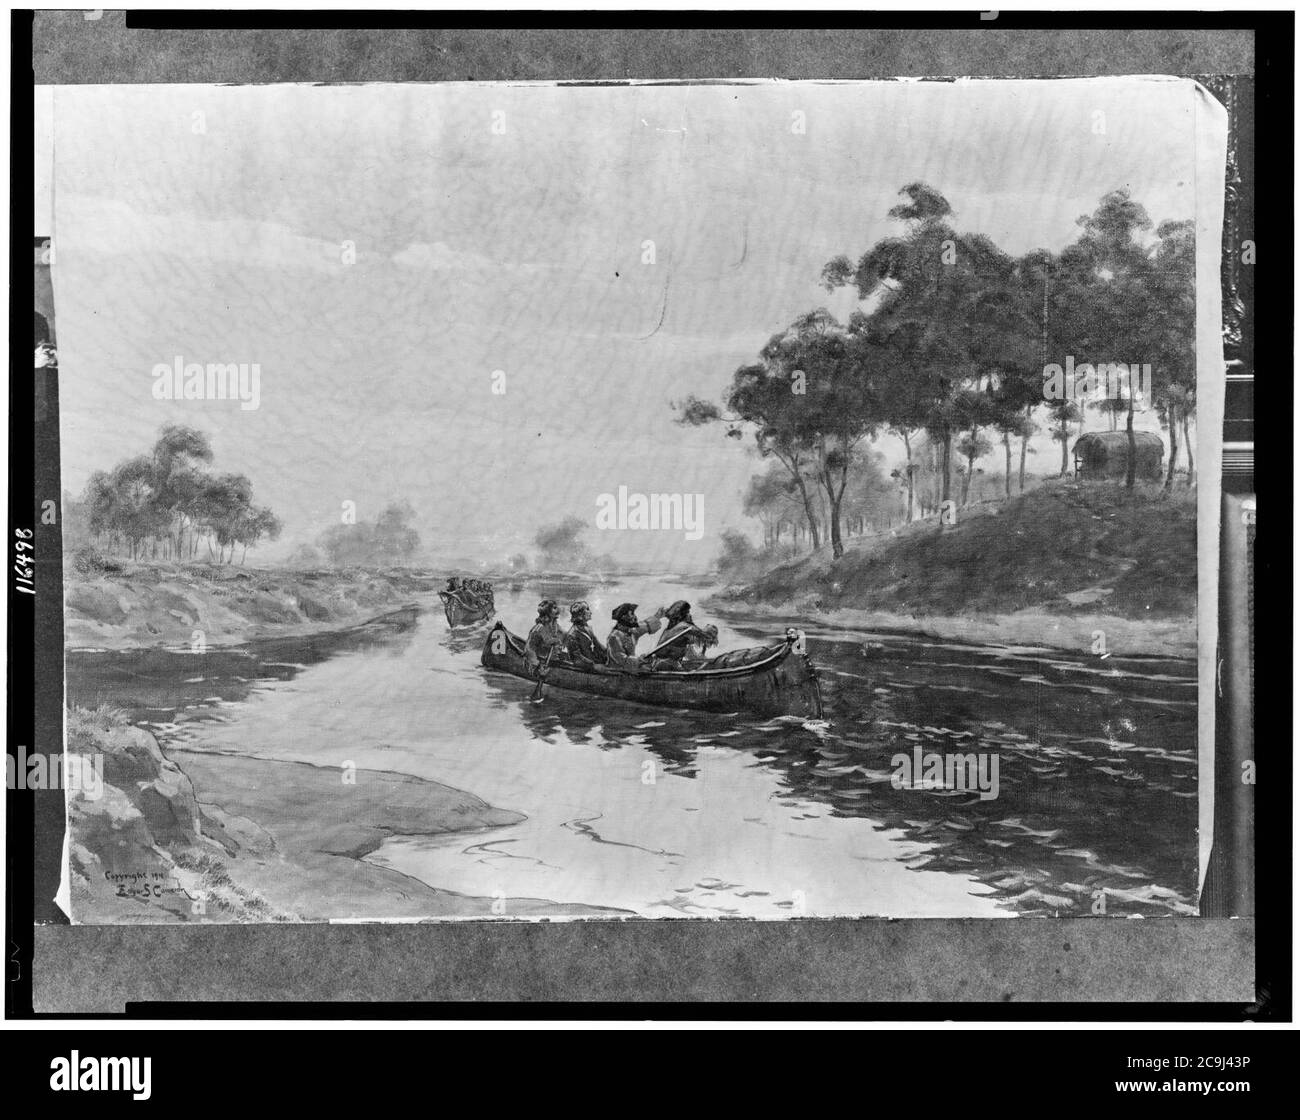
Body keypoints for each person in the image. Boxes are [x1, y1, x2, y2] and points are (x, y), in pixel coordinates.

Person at [647, 600, 719, 669]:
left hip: (661, 663)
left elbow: (690, 644)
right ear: (683, 613)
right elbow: (705, 635)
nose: (690, 615)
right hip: (667, 664)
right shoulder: (684, 626)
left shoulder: (672, 629)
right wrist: (709, 630)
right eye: (688, 612)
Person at [605, 603, 665, 672]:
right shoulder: (614, 637)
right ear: (623, 617)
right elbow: (622, 660)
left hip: (630, 669)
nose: (635, 617)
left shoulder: (631, 631)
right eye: (632, 614)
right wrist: (639, 660)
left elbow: (645, 626)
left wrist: (657, 616)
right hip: (617, 673)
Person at [524, 599, 566, 677]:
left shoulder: (555, 627)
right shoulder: (539, 629)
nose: (558, 610)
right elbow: (529, 649)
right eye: (554, 608)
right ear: (547, 613)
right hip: (539, 663)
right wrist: (537, 665)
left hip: (553, 660)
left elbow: (565, 636)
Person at [564, 600, 607, 666]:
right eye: (587, 609)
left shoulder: (589, 629)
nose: (591, 612)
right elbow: (577, 659)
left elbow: (599, 646)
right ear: (580, 614)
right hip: (589, 666)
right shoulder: (572, 634)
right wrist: (594, 665)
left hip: (597, 661)